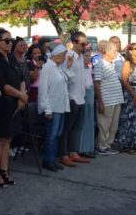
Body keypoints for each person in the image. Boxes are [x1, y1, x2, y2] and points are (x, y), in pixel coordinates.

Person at [0, 29, 26, 186]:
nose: (10, 43)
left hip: (14, 104)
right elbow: (4, 86)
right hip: (3, 104)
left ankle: (5, 170)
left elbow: (22, 78)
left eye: (11, 40)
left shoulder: (11, 59)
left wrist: (22, 96)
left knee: (7, 139)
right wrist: (21, 95)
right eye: (7, 40)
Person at [37, 44, 71, 171]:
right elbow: (43, 90)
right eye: (63, 56)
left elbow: (70, 79)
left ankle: (52, 159)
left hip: (60, 106)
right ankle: (48, 160)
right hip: (52, 106)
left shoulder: (58, 67)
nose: (64, 58)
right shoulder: (48, 67)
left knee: (57, 134)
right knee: (51, 135)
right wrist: (47, 109)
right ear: (56, 55)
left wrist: (67, 67)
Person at [58, 31, 89, 166]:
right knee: (67, 128)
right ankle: (64, 154)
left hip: (80, 96)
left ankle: (73, 152)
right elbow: (65, 76)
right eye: (82, 44)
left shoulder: (81, 57)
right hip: (71, 97)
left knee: (77, 127)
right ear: (74, 43)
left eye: (86, 43)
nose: (85, 46)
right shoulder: (68, 56)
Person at [93, 42, 124, 155]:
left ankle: (108, 145)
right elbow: (97, 84)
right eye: (114, 51)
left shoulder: (112, 64)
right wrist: (100, 102)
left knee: (113, 126)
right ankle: (102, 146)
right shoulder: (99, 64)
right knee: (104, 126)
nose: (116, 53)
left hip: (116, 99)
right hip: (106, 100)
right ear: (107, 51)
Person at [78, 46, 96, 158]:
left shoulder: (89, 68)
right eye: (86, 56)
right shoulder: (79, 69)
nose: (88, 58)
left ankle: (88, 148)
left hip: (90, 97)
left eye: (89, 56)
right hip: (83, 97)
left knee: (89, 123)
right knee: (82, 123)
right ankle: (80, 148)